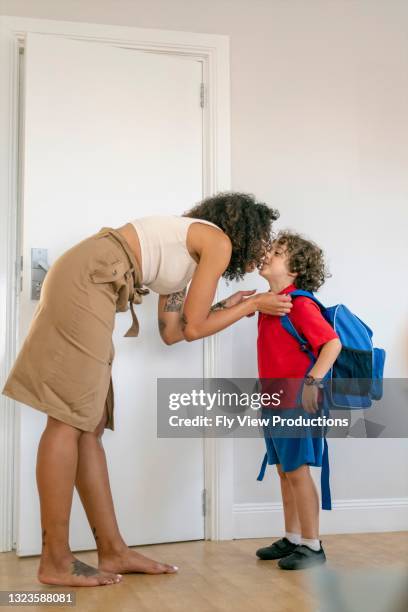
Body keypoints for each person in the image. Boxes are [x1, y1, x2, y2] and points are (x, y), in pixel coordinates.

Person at [2, 192, 293, 587]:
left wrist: (228, 304)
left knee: (91, 422)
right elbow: (193, 328)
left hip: (91, 277)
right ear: (245, 228)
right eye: (262, 237)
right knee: (70, 418)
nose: (260, 248)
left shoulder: (182, 258)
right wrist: (252, 305)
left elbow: (173, 331)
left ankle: (113, 550)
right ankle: (55, 558)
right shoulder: (217, 241)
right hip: (90, 278)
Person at [255, 231, 342, 570]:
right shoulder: (269, 303)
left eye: (276, 252)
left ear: (294, 270)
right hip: (274, 400)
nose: (268, 254)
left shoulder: (299, 304)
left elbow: (331, 344)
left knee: (298, 472)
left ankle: (312, 545)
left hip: (295, 401)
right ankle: (292, 538)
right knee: (284, 471)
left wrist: (312, 382)